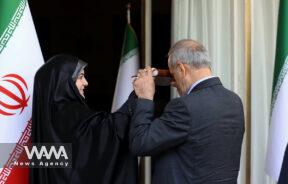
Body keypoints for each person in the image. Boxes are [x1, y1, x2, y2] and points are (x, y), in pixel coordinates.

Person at [130, 39, 245, 183]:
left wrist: (145, 97)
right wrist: (185, 89)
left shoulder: (184, 107)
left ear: (182, 69)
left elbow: (140, 143)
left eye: (173, 74)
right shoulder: (234, 101)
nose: (174, 82)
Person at [30, 54, 137, 184]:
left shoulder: (47, 118)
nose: (86, 82)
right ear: (64, 81)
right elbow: (111, 132)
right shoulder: (70, 115)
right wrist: (137, 96)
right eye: (80, 77)